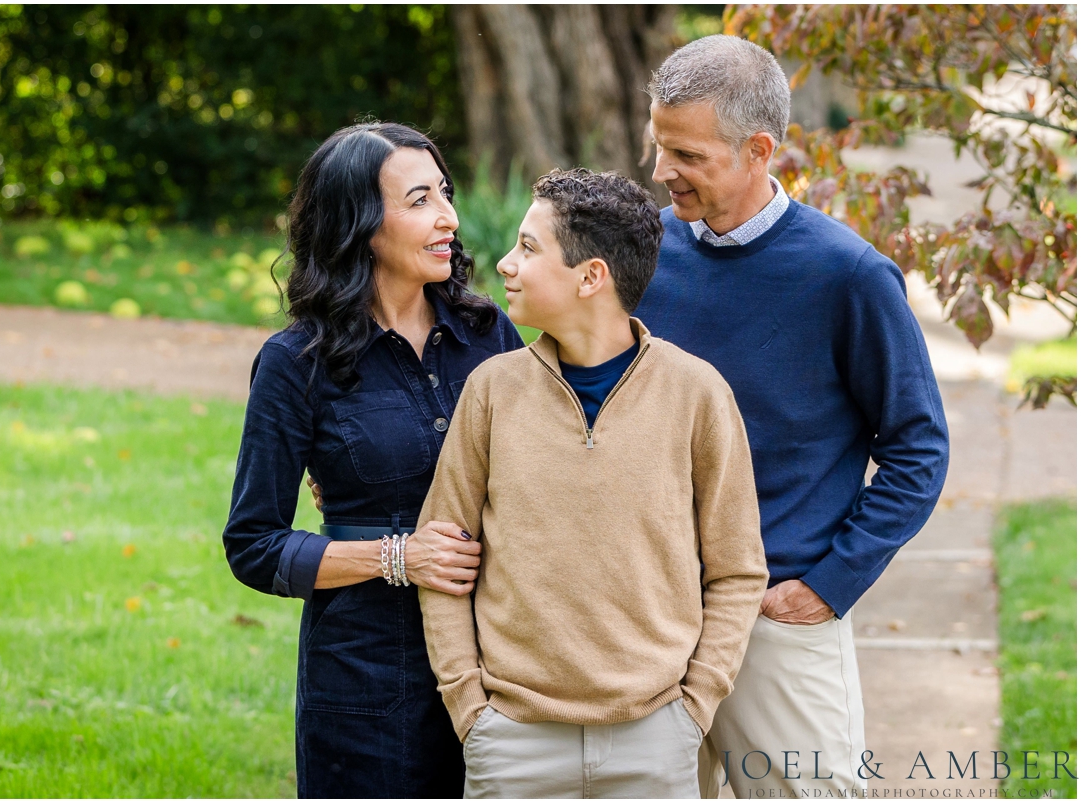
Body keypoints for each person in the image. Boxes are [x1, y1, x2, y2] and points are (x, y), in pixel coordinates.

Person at [634, 35, 951, 797]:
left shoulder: (849, 276)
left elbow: (918, 446)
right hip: (646, 620)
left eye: (686, 154)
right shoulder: (642, 257)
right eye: (657, 146)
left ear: (758, 150)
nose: (659, 172)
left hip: (777, 622)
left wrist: (833, 580)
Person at [416, 168, 769, 798]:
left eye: (528, 248)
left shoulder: (697, 394)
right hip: (513, 741)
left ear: (590, 277)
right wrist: (470, 709)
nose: (505, 263)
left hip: (656, 739)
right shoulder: (491, 391)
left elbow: (737, 570)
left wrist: (695, 706)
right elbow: (441, 553)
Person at [222, 122, 524, 798]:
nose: (448, 217)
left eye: (445, 193)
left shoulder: (486, 332)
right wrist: (398, 555)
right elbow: (253, 544)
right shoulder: (296, 362)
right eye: (419, 201)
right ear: (360, 224)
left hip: (501, 665)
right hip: (365, 683)